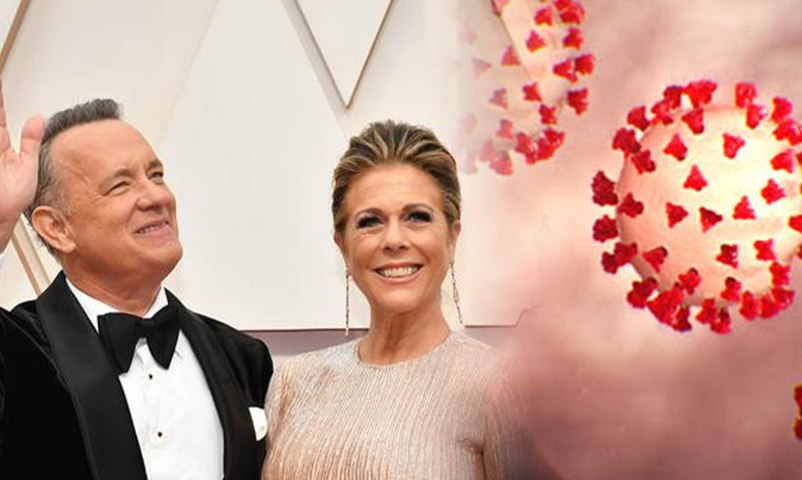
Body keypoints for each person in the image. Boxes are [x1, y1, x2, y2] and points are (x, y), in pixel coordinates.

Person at [0, 86, 273, 480]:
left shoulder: (243, 357)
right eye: (121, 185)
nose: (155, 196)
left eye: (156, 175)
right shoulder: (16, 353)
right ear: (57, 228)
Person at [262, 120, 530, 479]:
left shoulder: (499, 386)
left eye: (417, 217)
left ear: (452, 237)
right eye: (370, 221)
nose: (393, 239)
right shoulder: (293, 382)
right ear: (342, 246)